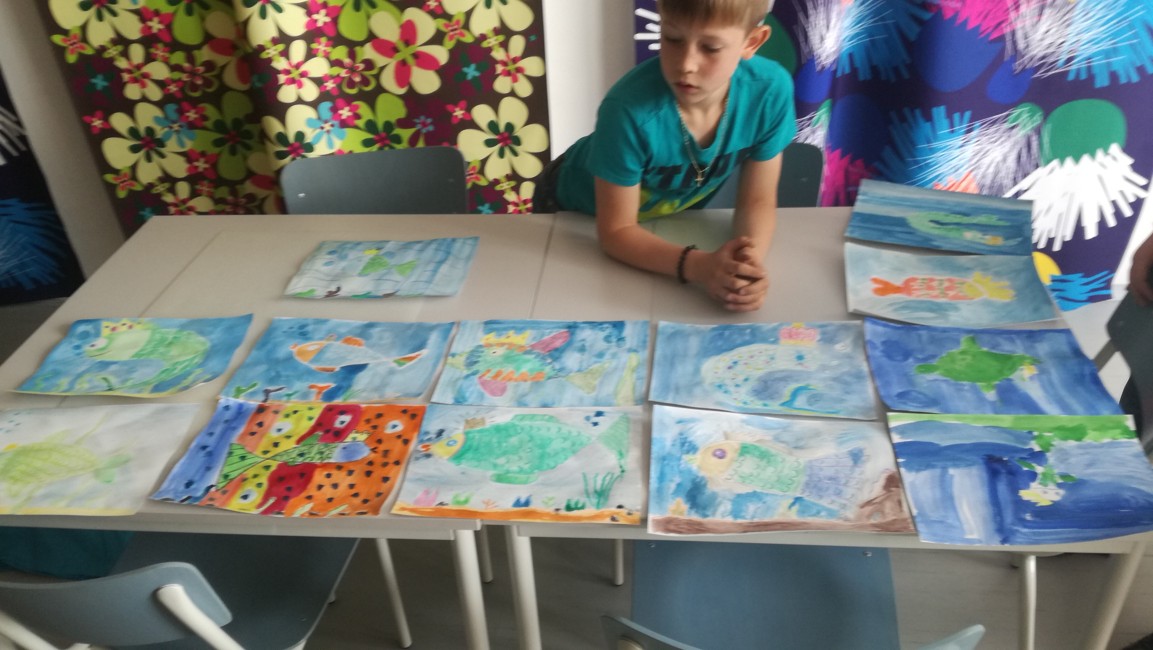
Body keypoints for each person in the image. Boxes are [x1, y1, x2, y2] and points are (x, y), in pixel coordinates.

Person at [534, 0, 795, 312]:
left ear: (751, 42)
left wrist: (746, 265)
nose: (686, 64)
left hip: (660, 218)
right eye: (672, 38)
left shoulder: (770, 93)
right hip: (571, 209)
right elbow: (616, 232)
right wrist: (701, 267)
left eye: (710, 47)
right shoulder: (628, 111)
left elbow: (757, 201)